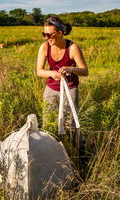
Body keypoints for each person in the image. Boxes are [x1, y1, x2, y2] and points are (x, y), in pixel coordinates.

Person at [36, 16, 88, 155]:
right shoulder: (45, 47)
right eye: (44, 34)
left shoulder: (72, 47)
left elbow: (85, 71)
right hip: (51, 89)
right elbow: (39, 71)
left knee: (70, 123)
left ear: (59, 32)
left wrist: (71, 69)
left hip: (70, 88)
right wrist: (52, 73)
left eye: (48, 34)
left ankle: (77, 152)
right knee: (49, 121)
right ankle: (50, 152)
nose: (46, 38)